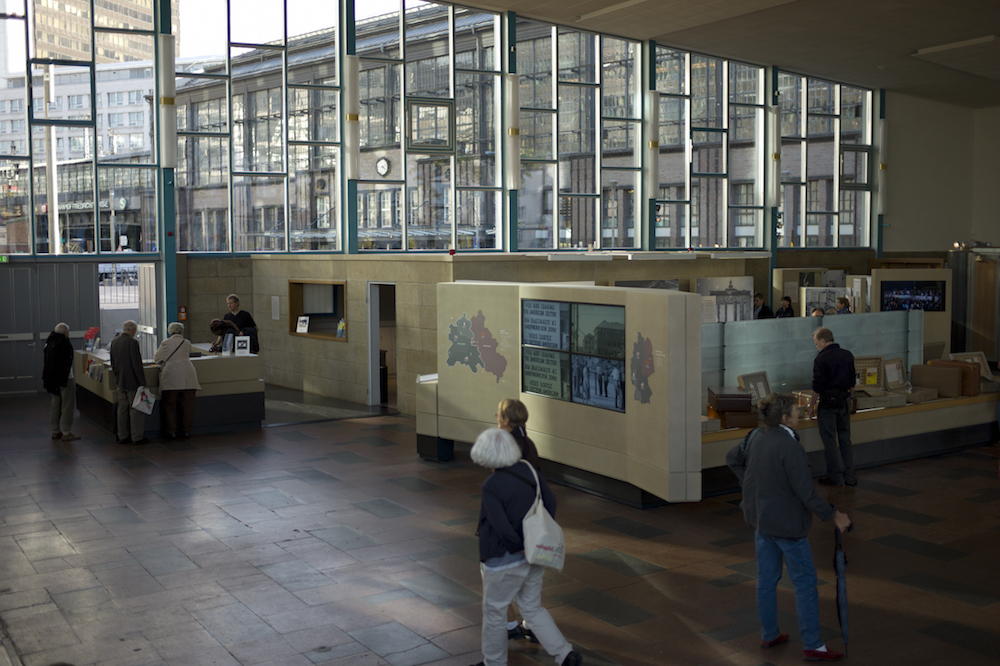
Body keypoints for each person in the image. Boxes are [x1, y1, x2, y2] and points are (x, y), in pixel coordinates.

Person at [726, 393, 851, 662]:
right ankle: (813, 645)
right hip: (789, 526)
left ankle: (769, 634)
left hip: (762, 521)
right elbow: (806, 494)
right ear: (784, 417)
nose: (800, 411)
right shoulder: (790, 447)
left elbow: (732, 458)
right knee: (805, 583)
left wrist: (751, 484)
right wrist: (835, 515)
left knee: (766, 579)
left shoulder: (755, 437)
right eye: (796, 409)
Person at [471, 428, 582, 666]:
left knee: (495, 613)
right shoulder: (529, 470)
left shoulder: (491, 485)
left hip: (503, 559)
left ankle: (494, 662)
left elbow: (500, 525)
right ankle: (565, 654)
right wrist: (534, 538)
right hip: (535, 555)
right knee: (532, 608)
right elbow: (550, 502)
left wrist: (518, 546)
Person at [495, 399, 541, 643]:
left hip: (509, 524)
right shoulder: (529, 444)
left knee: (498, 577)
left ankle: (510, 623)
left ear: (504, 421)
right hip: (530, 521)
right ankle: (532, 623)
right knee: (528, 578)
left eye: (498, 415)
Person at [808, 327, 856, 486]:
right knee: (845, 440)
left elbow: (817, 386)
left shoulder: (821, 359)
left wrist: (811, 406)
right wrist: (851, 400)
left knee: (829, 441)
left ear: (822, 341)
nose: (817, 347)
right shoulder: (847, 355)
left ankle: (835, 477)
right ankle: (850, 476)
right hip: (844, 401)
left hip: (828, 404)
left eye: (816, 344)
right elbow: (852, 383)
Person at [154, 322, 202, 440]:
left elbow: (157, 359)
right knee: (188, 406)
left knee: (169, 406)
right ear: (182, 332)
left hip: (171, 377)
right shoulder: (186, 342)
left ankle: (171, 432)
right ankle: (186, 431)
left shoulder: (165, 343)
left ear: (170, 332)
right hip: (188, 376)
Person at [110, 320, 149, 446]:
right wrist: (142, 382)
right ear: (133, 330)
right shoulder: (132, 343)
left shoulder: (114, 341)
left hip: (120, 381)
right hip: (132, 382)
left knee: (122, 409)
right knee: (136, 410)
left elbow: (113, 362)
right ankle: (136, 437)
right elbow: (136, 364)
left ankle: (122, 435)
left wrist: (117, 377)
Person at [43, 322, 80, 441]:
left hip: (52, 379)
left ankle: (55, 430)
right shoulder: (64, 343)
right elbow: (66, 362)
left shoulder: (49, 342)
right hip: (65, 378)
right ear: (65, 332)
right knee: (67, 405)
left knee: (55, 404)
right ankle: (66, 432)